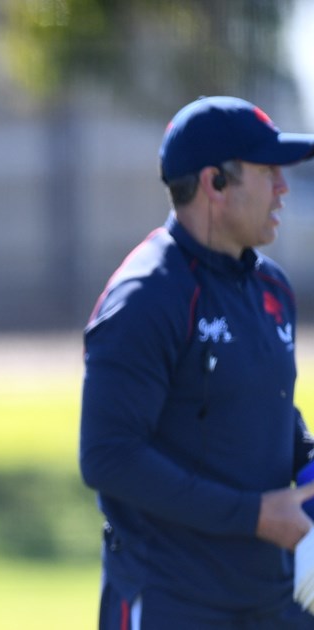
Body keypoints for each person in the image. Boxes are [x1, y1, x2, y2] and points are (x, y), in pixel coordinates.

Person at [81, 95, 314, 627]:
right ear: (215, 183)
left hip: (271, 601)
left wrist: (309, 464)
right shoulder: (146, 297)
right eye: (267, 171)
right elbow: (108, 456)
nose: (283, 187)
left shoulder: (272, 287)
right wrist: (254, 515)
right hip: (174, 603)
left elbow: (268, 410)